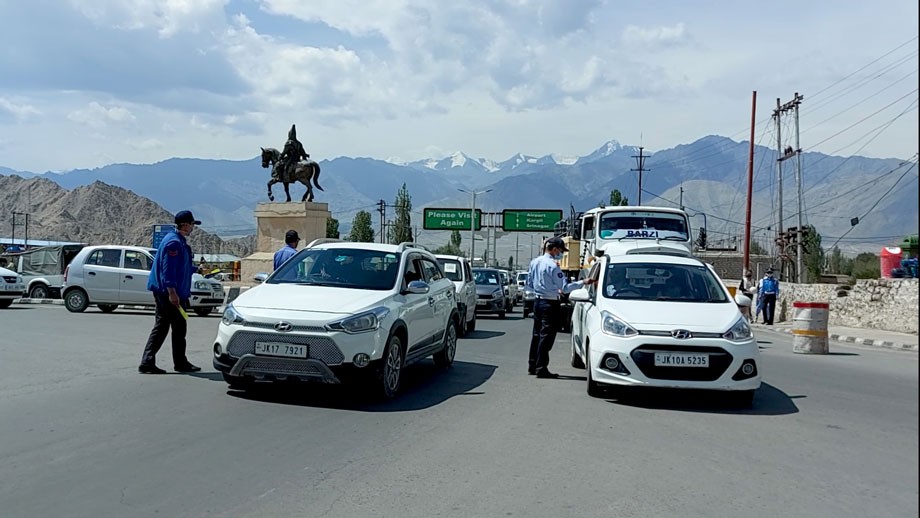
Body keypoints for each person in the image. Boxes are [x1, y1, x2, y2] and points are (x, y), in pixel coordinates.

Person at [139, 210, 202, 374]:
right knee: (162, 327)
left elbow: (181, 266)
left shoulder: (178, 241)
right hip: (168, 293)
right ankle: (147, 362)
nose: (193, 228)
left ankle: (180, 362)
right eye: (192, 225)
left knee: (179, 327)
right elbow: (168, 271)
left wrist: (197, 269)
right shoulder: (173, 243)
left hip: (176, 292)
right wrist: (172, 293)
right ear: (185, 225)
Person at [525, 237, 596, 378]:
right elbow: (564, 288)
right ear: (555, 249)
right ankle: (541, 368)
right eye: (561, 250)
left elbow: (530, 283)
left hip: (538, 302)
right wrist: (584, 282)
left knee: (537, 335)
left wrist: (545, 288)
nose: (562, 254)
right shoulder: (553, 265)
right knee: (547, 336)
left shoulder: (535, 262)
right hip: (549, 304)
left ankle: (532, 365)